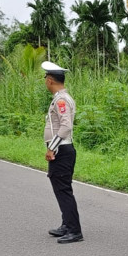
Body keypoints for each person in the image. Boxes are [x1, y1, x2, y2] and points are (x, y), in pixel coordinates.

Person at [42, 61, 83, 244]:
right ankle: (67, 224)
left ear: (50, 80)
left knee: (64, 190)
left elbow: (66, 126)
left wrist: (52, 147)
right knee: (61, 189)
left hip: (62, 150)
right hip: (63, 149)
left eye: (46, 79)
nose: (45, 82)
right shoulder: (62, 97)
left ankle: (74, 230)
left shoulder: (61, 100)